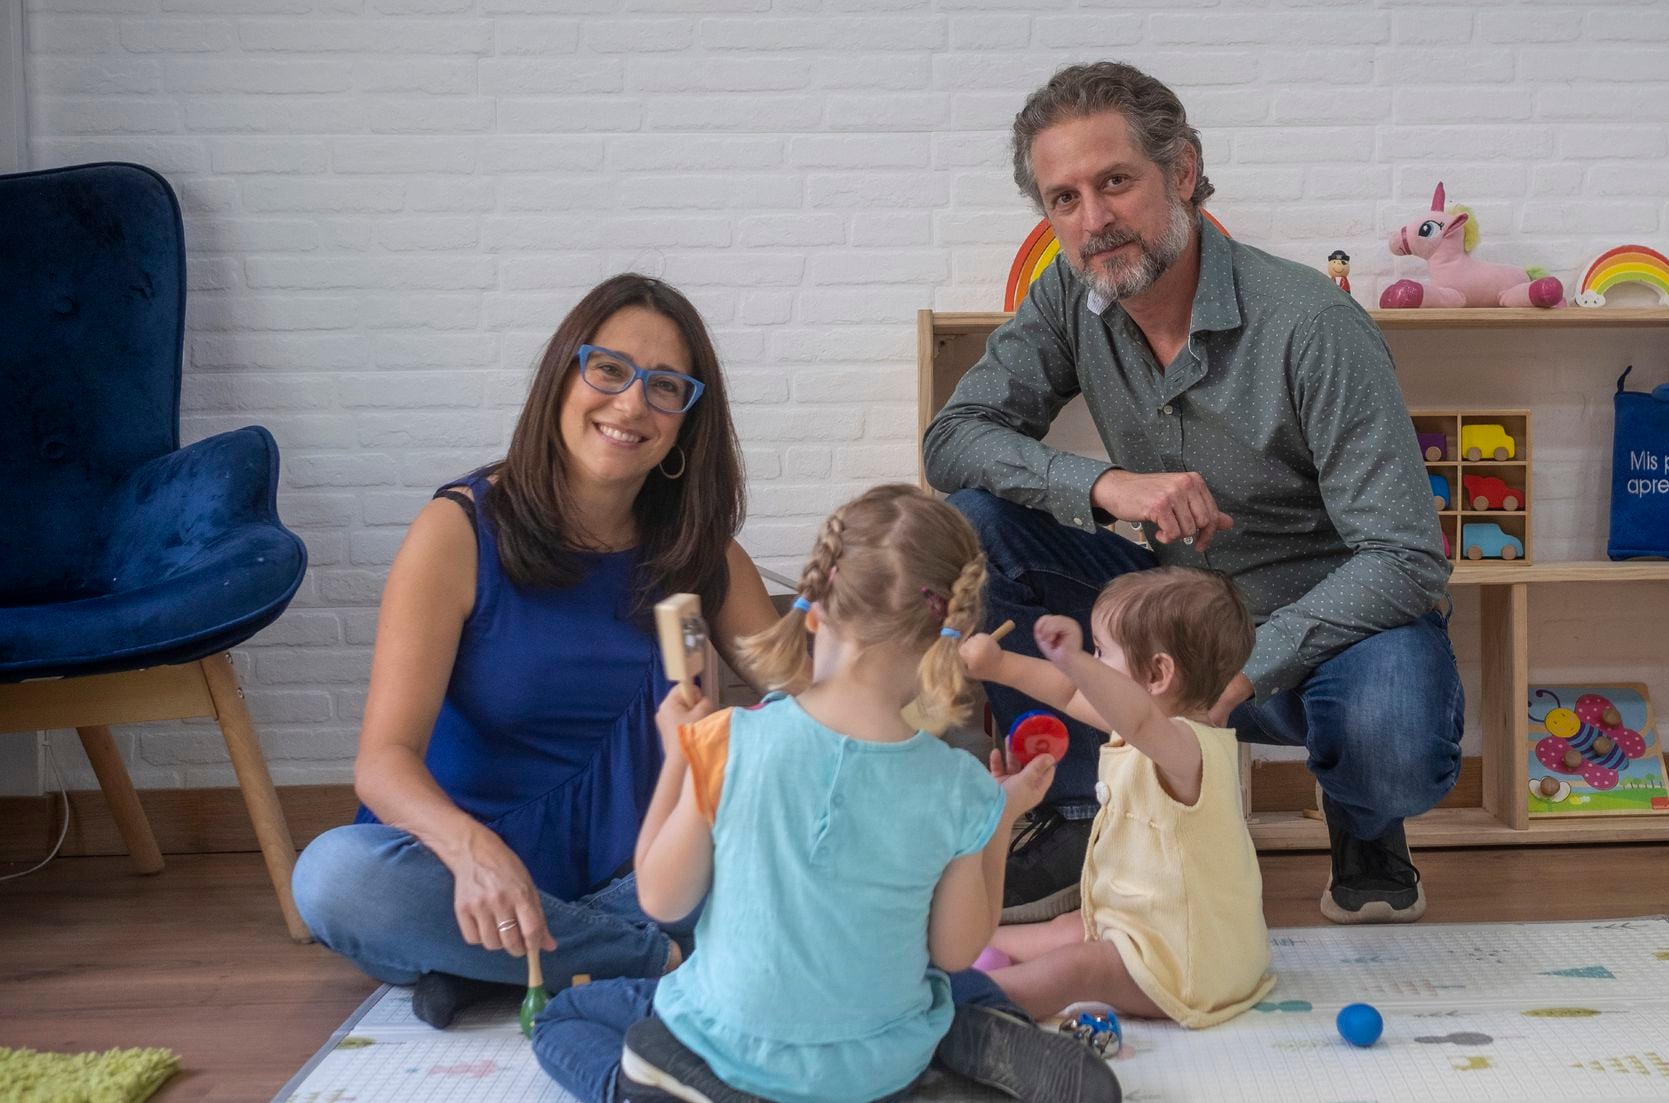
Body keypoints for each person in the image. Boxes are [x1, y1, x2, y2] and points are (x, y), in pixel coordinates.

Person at [922, 61, 1464, 927]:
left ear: (1180, 172)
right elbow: (952, 441)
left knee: (1394, 745)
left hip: (1332, 626)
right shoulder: (1069, 295)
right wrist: (1103, 484)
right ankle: (1068, 807)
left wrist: (1246, 669)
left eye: (1115, 182)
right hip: (1176, 611)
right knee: (976, 528)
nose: (1093, 222)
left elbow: (1405, 558)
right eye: (1063, 199)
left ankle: (1364, 819)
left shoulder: (1314, 325)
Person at [290, 275, 781, 1027]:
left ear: (686, 420)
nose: (630, 405)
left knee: (793, 847)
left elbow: (811, 696)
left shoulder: (700, 552)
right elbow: (382, 759)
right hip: (467, 882)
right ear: (563, 375)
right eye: (610, 370)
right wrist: (470, 853)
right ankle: (651, 962)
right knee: (335, 878)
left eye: (665, 388)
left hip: (638, 879)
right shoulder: (458, 531)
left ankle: (511, 970)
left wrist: (881, 613)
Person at [530, 485, 1120, 1103]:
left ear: (815, 605)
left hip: (727, 1043)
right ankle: (964, 1047)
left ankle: (660, 1090)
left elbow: (660, 897)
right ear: (948, 636)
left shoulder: (727, 740)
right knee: (945, 988)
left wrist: (678, 757)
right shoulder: (963, 787)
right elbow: (953, 950)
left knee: (563, 1015)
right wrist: (999, 822)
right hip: (878, 1066)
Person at [961, 567, 1274, 1027]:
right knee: (1063, 930)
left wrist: (1074, 659)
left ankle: (962, 1004)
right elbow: (1068, 693)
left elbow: (1137, 718)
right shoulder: (1139, 731)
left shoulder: (1189, 748)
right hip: (1139, 926)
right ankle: (951, 951)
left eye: (1101, 653)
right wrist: (999, 666)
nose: (1091, 661)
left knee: (1078, 967)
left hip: (1186, 965)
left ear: (1157, 674)